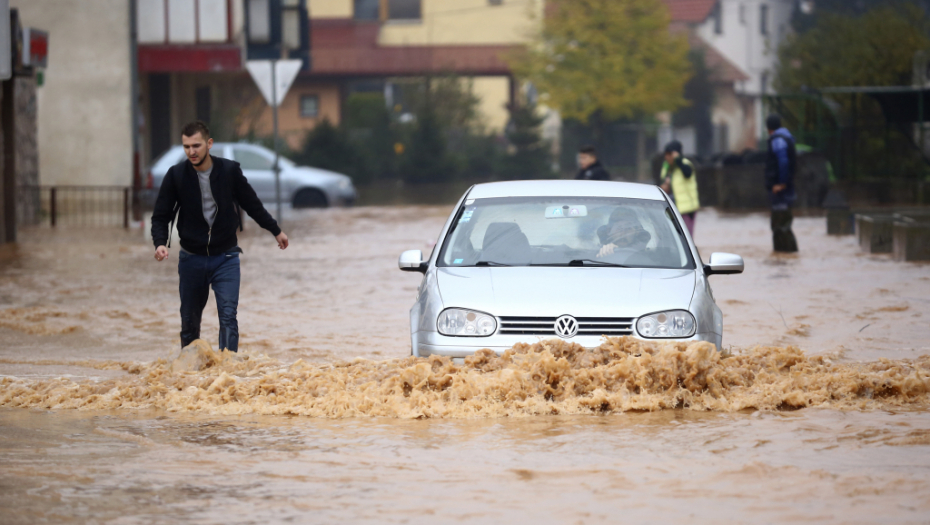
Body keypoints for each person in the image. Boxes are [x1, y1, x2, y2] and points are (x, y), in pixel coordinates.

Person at [151, 121, 289, 353]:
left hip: (226, 257)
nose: (191, 152)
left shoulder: (229, 171)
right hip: (191, 259)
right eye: (186, 147)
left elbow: (252, 204)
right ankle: (190, 379)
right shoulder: (176, 175)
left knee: (228, 318)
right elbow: (160, 215)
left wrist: (275, 230)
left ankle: (226, 375)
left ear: (209, 144)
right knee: (189, 324)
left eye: (196, 145)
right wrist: (160, 243)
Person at [765, 114, 799, 252]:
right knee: (783, 224)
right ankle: (787, 256)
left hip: (781, 191)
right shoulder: (786, 138)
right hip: (785, 190)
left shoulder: (778, 140)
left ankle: (785, 255)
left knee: (780, 225)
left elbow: (783, 162)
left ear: (768, 128)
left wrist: (781, 183)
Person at [659, 140, 699, 236]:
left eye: (669, 154)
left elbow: (688, 173)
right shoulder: (667, 166)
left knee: (687, 237)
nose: (667, 157)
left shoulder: (685, 164)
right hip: (672, 208)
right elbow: (663, 181)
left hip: (687, 209)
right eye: (666, 154)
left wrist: (678, 160)